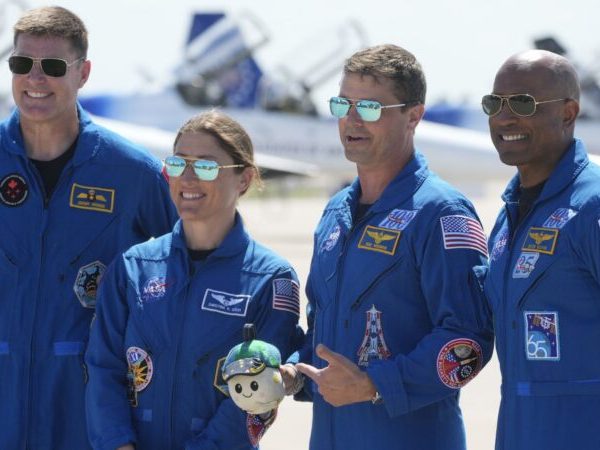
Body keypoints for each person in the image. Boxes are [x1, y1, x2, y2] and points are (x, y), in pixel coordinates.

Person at [281, 44, 494, 450]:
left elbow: (467, 340)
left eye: (370, 107)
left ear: (413, 116)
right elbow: (323, 331)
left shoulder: (442, 213)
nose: (352, 119)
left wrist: (374, 385)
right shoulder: (335, 213)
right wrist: (292, 373)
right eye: (342, 104)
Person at [0, 6, 177, 449]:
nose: (35, 78)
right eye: (21, 63)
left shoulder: (132, 173)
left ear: (83, 73)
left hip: (89, 414)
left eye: (53, 66)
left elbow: (190, 267)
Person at [85, 110, 302, 450]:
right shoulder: (133, 267)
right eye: (178, 164)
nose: (187, 178)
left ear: (244, 179)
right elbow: (103, 366)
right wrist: (118, 444)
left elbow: (257, 398)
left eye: (206, 167)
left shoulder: (271, 279)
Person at [483, 49, 600, 450]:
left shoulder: (592, 207)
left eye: (522, 103)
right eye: (494, 103)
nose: (504, 117)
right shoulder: (508, 217)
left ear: (568, 113)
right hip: (519, 430)